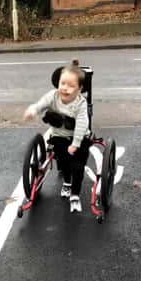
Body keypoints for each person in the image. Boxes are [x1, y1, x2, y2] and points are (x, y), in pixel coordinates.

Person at [23, 59, 91, 213]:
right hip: (59, 137)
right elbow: (40, 104)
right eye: (63, 83)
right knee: (64, 162)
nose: (65, 88)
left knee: (78, 167)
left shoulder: (80, 104)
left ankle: (75, 194)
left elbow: (82, 125)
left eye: (71, 86)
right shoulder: (52, 96)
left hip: (79, 138)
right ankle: (67, 182)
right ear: (58, 82)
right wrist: (32, 111)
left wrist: (76, 144)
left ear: (79, 89)